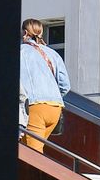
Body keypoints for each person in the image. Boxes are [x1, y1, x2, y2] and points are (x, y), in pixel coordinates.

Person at [19, 18, 70, 151]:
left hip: (35, 107)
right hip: (55, 107)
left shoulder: (19, 52)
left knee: (32, 154)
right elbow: (65, 85)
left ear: (24, 33)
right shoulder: (52, 53)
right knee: (27, 148)